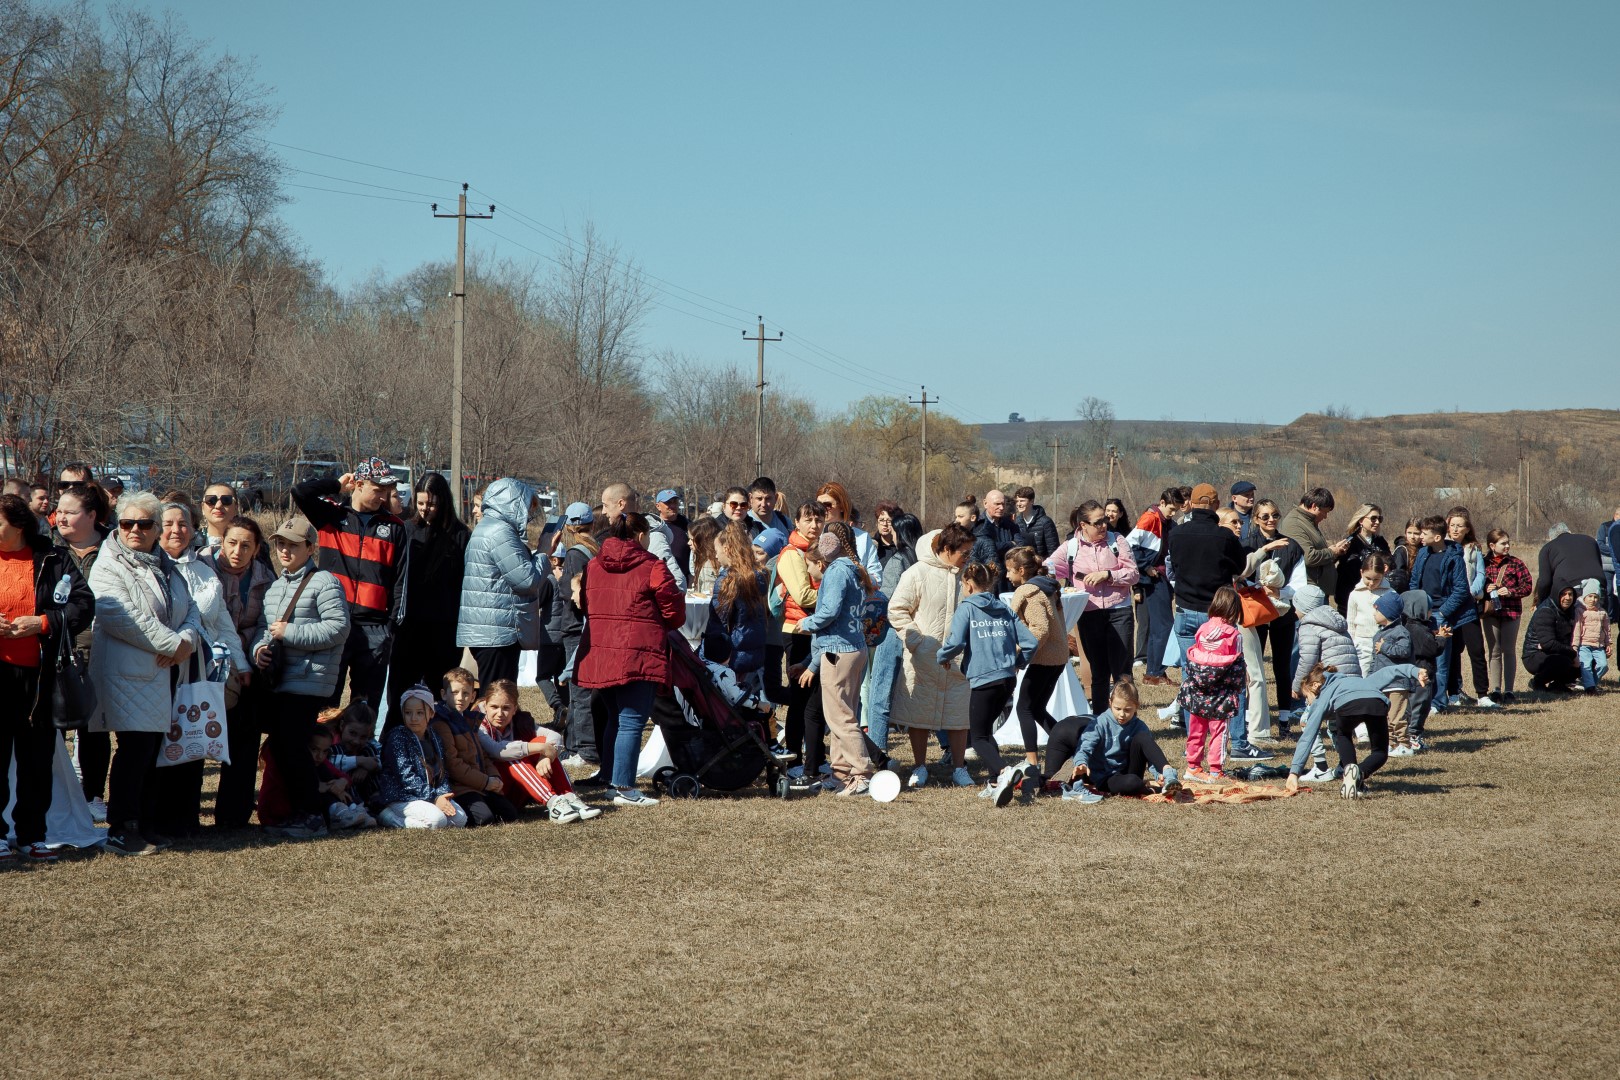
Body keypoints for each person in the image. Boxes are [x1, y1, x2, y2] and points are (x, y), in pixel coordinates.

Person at [89, 491, 207, 856]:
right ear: (118, 525)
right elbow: (121, 616)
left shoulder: (165, 565)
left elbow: (192, 611)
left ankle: (146, 822)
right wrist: (173, 645)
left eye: (144, 524)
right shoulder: (108, 564)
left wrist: (186, 640)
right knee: (134, 751)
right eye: (128, 523)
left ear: (156, 528)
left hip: (165, 672)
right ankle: (122, 828)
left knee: (154, 750)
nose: (135, 530)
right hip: (129, 674)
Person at [0, 494, 93, 863]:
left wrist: (41, 623)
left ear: (18, 525)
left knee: (36, 759)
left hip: (40, 677)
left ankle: (32, 834)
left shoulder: (53, 558)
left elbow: (83, 604)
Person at [250, 515, 353, 838]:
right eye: (280, 543)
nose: (284, 550)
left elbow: (339, 628)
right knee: (283, 747)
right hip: (281, 680)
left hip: (309, 680)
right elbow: (263, 630)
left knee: (293, 747)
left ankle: (311, 813)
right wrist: (259, 650)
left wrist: (290, 633)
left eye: (293, 545)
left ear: (310, 548)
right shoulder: (274, 587)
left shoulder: (326, 582)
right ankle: (296, 811)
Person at [151, 499, 249, 836]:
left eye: (183, 524)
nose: (176, 530)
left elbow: (222, 623)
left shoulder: (206, 571)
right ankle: (155, 818)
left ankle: (185, 819)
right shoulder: (149, 567)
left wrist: (241, 664)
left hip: (199, 670)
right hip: (158, 665)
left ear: (194, 529)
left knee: (191, 737)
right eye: (168, 523)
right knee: (158, 741)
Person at [574, 511, 684, 807]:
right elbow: (675, 610)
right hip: (638, 652)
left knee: (616, 718)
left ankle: (612, 778)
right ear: (641, 536)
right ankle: (623, 786)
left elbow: (585, 604)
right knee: (632, 721)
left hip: (601, 651)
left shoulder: (593, 564)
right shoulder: (652, 565)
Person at [291, 456, 408, 710]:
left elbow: (400, 582)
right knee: (326, 705)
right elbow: (300, 492)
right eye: (378, 489)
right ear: (359, 484)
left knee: (365, 708)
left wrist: (390, 628)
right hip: (333, 622)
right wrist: (336, 485)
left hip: (375, 628)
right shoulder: (331, 514)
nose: (383, 497)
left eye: (387, 491)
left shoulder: (395, 527)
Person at [936, 560, 1036, 806]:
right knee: (986, 730)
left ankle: (1004, 771)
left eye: (962, 585)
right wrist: (1018, 662)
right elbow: (1031, 642)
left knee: (978, 736)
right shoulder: (1003, 607)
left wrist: (942, 657)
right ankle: (993, 782)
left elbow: (956, 642)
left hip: (984, 680)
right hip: (1007, 679)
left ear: (969, 585)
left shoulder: (966, 609)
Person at [200, 518, 276, 829]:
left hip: (248, 667)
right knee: (198, 735)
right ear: (222, 542)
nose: (237, 551)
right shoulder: (202, 568)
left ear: (257, 549)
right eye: (232, 543)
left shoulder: (265, 579)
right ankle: (182, 814)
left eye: (246, 545)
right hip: (206, 664)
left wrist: (255, 647)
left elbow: (266, 623)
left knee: (244, 739)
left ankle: (233, 815)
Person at [888, 524, 975, 789]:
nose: (968, 557)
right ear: (947, 549)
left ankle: (959, 768)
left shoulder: (967, 575)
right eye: (964, 552)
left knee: (959, 714)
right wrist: (917, 641)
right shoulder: (917, 573)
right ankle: (919, 766)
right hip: (924, 657)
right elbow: (897, 609)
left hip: (960, 658)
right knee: (920, 713)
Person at [795, 521, 879, 797]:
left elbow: (829, 611)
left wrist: (807, 623)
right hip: (854, 649)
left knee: (840, 717)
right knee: (844, 713)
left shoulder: (836, 571)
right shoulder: (854, 568)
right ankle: (841, 773)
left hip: (838, 651)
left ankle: (862, 774)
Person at [388, 472, 469, 723]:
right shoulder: (407, 529)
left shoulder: (460, 535)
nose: (425, 509)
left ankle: (439, 737)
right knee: (401, 689)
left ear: (443, 502)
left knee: (439, 691)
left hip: (444, 628)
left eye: (431, 504)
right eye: (421, 503)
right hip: (409, 627)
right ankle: (395, 735)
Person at [457, 478, 553, 689]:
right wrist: (544, 552)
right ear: (513, 504)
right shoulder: (500, 532)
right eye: (527, 509)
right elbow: (527, 580)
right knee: (497, 698)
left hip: (490, 630)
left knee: (496, 696)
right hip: (496, 634)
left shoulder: (489, 527)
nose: (528, 516)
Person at [52, 482, 111, 822]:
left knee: (94, 728)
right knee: (53, 729)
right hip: (57, 651)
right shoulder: (49, 550)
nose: (60, 517)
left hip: (100, 649)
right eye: (58, 511)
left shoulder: (113, 548)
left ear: (91, 515)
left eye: (69, 512)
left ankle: (93, 796)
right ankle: (55, 797)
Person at [1048, 500, 1140, 714]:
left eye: (1105, 520)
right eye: (1098, 522)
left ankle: (1128, 722)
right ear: (1083, 525)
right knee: (1098, 673)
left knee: (1123, 673)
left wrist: (1108, 575)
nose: (1104, 525)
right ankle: (1100, 720)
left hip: (1119, 611)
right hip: (1089, 614)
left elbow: (1134, 574)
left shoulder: (1117, 541)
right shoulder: (1071, 547)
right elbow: (1048, 568)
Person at [1285, 662, 1428, 798]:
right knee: (1380, 753)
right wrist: (1415, 671)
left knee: (1343, 735)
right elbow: (1389, 671)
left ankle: (1350, 770)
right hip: (1376, 703)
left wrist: (1294, 773)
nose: (1308, 702)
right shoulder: (1359, 681)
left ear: (1315, 685)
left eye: (1307, 697)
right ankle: (1357, 775)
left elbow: (1308, 736)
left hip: (1346, 706)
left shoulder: (1324, 694)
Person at [1164, 483, 1251, 696]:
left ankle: (1193, 715)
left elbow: (1174, 566)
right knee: (1226, 669)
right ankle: (1226, 714)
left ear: (1191, 504)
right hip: (1217, 612)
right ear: (1217, 504)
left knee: (1189, 671)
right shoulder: (1225, 537)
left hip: (1185, 609)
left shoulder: (1176, 534)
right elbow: (1240, 567)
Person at [475, 677, 597, 822]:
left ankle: (569, 796)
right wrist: (541, 748)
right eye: (494, 707)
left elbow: (555, 736)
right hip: (494, 788)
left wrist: (546, 756)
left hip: (520, 787)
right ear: (486, 705)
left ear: (514, 709)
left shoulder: (520, 720)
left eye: (506, 708)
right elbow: (497, 750)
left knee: (541, 740)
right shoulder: (478, 723)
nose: (500, 713)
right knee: (513, 754)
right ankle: (553, 802)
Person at [1005, 547, 1068, 777]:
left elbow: (1040, 630)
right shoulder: (1046, 586)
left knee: (1024, 708)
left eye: (1009, 570)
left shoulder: (1030, 593)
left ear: (1021, 571)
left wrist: (1021, 657)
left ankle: (1032, 760)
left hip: (1045, 658)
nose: (1006, 575)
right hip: (1057, 656)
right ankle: (1071, 746)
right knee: (1037, 708)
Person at [1409, 515, 1482, 710]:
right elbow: (1414, 581)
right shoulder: (1423, 554)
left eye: (1424, 533)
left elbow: (1461, 590)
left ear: (1437, 537)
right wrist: (1415, 607)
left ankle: (1438, 702)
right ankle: (1421, 699)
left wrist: (1443, 612)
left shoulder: (1454, 558)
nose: (1420, 537)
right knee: (1421, 657)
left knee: (1440, 661)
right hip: (1421, 614)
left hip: (1441, 614)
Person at [1063, 679, 1180, 800]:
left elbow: (1149, 755)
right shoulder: (1101, 722)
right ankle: (1150, 790)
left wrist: (1158, 775)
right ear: (1110, 703)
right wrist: (1081, 762)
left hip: (1128, 771)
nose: (1122, 714)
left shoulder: (1139, 726)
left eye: (1127, 710)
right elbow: (1085, 746)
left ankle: (1168, 774)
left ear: (1136, 707)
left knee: (1143, 737)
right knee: (1133, 783)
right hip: (1106, 777)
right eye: (1117, 709)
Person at [430, 672, 520, 827]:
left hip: (479, 784)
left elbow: (483, 755)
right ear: (444, 694)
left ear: (473, 697)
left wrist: (494, 777)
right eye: (455, 692)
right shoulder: (441, 723)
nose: (460, 698)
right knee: (484, 819)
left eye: (466, 693)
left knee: (510, 815)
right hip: (459, 787)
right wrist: (485, 782)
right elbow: (453, 765)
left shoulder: (470, 719)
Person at [1178, 587, 1247, 781]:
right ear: (1234, 609)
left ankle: (1192, 767)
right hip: (1221, 695)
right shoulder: (1234, 635)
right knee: (1219, 732)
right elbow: (1238, 665)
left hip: (1197, 691)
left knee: (1196, 730)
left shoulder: (1203, 629)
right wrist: (1239, 686)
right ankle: (1216, 771)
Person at [377, 685, 464, 829]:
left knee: (460, 819)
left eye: (419, 713)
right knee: (438, 821)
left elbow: (442, 772)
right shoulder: (397, 737)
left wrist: (442, 795)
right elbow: (406, 776)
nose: (413, 718)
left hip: (429, 794)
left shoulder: (434, 736)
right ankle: (388, 816)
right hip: (402, 797)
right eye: (408, 713)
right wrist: (435, 798)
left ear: (431, 713)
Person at [776, 502, 823, 770]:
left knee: (816, 702)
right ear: (796, 522)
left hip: (817, 630)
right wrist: (834, 598)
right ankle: (794, 759)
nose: (814, 525)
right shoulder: (792, 554)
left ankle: (816, 760)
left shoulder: (819, 550)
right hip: (797, 631)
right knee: (800, 700)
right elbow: (803, 595)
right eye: (808, 519)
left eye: (818, 519)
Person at [553, 503, 600, 766]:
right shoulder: (595, 548)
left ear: (568, 527)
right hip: (590, 624)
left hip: (575, 626)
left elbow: (568, 592)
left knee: (579, 690)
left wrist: (560, 577)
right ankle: (573, 745)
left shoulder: (574, 554)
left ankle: (585, 749)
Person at [1250, 499, 1304, 723]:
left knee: (1282, 667)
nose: (1271, 520)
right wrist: (1258, 590)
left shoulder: (1292, 546)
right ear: (1256, 519)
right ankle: (1252, 717)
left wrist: (1280, 592)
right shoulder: (1246, 544)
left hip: (1283, 614)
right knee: (1254, 667)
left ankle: (1284, 717)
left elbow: (1300, 584)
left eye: (1275, 515)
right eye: (1265, 516)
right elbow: (1239, 576)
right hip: (1255, 613)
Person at [705, 522, 768, 697]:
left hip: (731, 653)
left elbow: (718, 622)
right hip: (753, 649)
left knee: (729, 700)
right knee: (747, 698)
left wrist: (710, 653)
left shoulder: (727, 580)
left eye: (716, 550)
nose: (715, 555)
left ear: (726, 549)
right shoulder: (756, 575)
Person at [1128, 489, 1179, 685]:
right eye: (1171, 509)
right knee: (1164, 626)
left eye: (1176, 510)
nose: (1173, 513)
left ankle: (1153, 671)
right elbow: (1128, 545)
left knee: (1159, 626)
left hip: (1164, 577)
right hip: (1155, 578)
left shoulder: (1167, 522)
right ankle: (1156, 672)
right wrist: (1146, 567)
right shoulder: (1150, 518)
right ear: (1162, 503)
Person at [1480, 529, 1534, 703]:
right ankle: (1495, 690)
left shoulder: (1516, 563)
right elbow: (1473, 584)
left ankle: (1509, 690)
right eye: (1503, 543)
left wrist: (1511, 591)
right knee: (1494, 651)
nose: (1507, 546)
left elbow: (1527, 586)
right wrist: (1485, 588)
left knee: (1509, 650)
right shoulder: (1482, 563)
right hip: (1490, 612)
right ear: (1492, 545)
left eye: (1508, 543)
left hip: (1511, 612)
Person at [1279, 488, 1347, 600]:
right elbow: (1309, 557)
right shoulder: (1295, 524)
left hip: (1318, 589)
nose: (1325, 516)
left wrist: (1336, 551)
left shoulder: (1308, 522)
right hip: (1309, 593)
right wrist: (1331, 552)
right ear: (1314, 506)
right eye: (1325, 512)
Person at [814, 481, 881, 580]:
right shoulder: (815, 534)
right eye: (818, 505)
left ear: (841, 506)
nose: (822, 509)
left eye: (827, 505)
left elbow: (876, 576)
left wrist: (857, 580)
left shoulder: (862, 538)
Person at [1335, 504, 1392, 614]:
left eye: (1379, 519)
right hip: (1350, 598)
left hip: (1376, 597)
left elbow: (1390, 565)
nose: (1377, 522)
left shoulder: (1381, 542)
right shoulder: (1350, 543)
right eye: (1373, 518)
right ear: (1361, 520)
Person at [1523, 585, 1580, 691]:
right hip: (1535, 655)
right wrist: (1573, 653)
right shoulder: (1546, 611)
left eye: (1570, 594)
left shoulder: (1572, 611)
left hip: (1557, 650)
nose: (1568, 597)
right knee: (1563, 661)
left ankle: (1558, 684)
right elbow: (1548, 644)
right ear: (1556, 595)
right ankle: (1538, 682)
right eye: (1563, 594)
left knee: (1588, 659)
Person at [1344, 552, 1394, 676]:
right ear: (1361, 573)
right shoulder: (1355, 594)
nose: (1371, 583)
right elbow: (1350, 622)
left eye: (1376, 579)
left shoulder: (1390, 593)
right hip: (1361, 643)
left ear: (1383, 574)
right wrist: (1352, 643)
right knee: (1362, 675)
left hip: (1383, 643)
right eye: (1368, 578)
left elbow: (1395, 620)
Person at [1533, 523, 1604, 607]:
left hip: (1571, 590)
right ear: (1569, 531)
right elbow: (1599, 565)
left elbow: (1544, 581)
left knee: (1576, 615)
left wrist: (1540, 604)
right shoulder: (1590, 540)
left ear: (1551, 539)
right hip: (1598, 587)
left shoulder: (1548, 548)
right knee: (1600, 614)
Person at [1572, 581, 1611, 693]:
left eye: (1596, 597)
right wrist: (1575, 645)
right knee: (1586, 665)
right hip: (1584, 644)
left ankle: (1590, 683)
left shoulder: (1602, 612)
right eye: (1590, 596)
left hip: (1599, 645)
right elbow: (1577, 629)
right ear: (1584, 596)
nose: (1593, 599)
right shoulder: (1579, 610)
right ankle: (1590, 688)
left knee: (1603, 666)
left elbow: (1607, 629)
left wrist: (1608, 643)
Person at [1012, 486, 1060, 560]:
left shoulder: (1045, 522)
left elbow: (1053, 550)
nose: (1018, 504)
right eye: (1017, 501)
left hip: (1042, 564)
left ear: (1031, 501)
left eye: (1022, 501)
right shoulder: (1016, 522)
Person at [654, 489, 691, 578]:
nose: (673, 505)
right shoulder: (654, 526)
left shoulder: (687, 525)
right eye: (668, 503)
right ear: (658, 506)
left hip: (685, 578)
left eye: (675, 502)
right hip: (661, 577)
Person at [196, 482, 241, 551]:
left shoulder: (249, 543)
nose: (218, 506)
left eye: (226, 500)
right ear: (202, 508)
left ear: (236, 508)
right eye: (211, 500)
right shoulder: (189, 544)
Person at [687, 514, 723, 596]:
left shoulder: (719, 560)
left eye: (692, 539)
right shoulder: (699, 557)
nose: (689, 543)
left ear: (703, 540)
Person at [1388, 518, 1423, 595]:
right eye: (1409, 533)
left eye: (1416, 533)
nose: (1412, 536)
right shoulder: (1402, 550)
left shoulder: (1424, 549)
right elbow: (1398, 577)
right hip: (1405, 591)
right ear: (1405, 533)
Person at [1228, 481, 1259, 547]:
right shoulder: (1225, 517)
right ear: (1234, 498)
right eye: (1247, 495)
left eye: (1252, 494)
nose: (1251, 498)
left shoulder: (1258, 517)